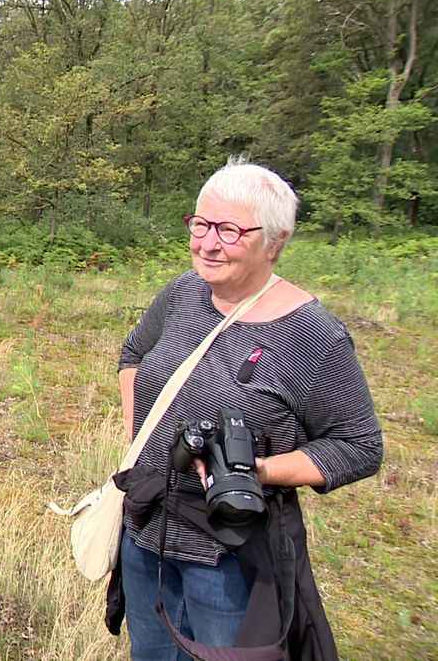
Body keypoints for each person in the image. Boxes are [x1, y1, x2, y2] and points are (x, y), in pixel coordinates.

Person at [114, 158, 383, 659]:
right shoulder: (182, 293)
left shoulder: (314, 335)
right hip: (147, 533)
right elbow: (134, 353)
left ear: (275, 242)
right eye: (201, 224)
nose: (208, 243)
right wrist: (140, 433)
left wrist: (259, 470)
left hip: (230, 555)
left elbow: (359, 446)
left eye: (230, 230)